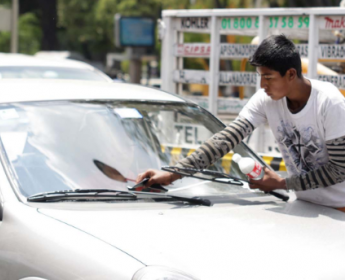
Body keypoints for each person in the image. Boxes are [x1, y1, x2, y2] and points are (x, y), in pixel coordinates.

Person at [137, 34, 345, 211]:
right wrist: (172, 174)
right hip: (303, 205)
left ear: (291, 74)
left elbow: (340, 169)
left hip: (340, 208)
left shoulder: (329, 102)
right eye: (260, 77)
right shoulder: (266, 100)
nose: (262, 84)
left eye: (269, 77)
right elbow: (225, 139)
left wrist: (283, 183)